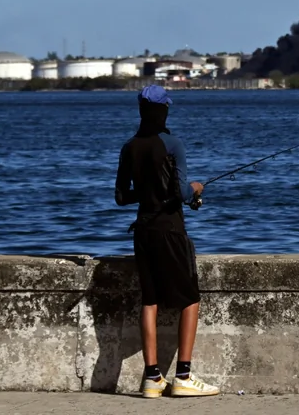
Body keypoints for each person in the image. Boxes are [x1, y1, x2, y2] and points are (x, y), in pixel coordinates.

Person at [114, 85, 220, 398]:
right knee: (190, 299)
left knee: (150, 301)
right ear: (163, 110)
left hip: (143, 231)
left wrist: (147, 194)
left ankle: (152, 378)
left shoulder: (129, 146)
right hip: (170, 231)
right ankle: (184, 377)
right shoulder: (172, 143)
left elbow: (121, 197)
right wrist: (196, 188)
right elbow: (180, 193)